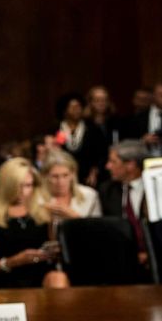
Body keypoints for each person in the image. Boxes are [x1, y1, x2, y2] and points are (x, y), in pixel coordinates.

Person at [0, 158, 68, 288]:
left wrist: (56, 251)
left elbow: (54, 250)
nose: (23, 192)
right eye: (17, 186)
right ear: (6, 186)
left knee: (58, 278)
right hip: (9, 277)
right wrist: (15, 261)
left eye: (28, 185)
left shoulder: (44, 212)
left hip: (43, 275)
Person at [98, 140, 150, 268]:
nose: (107, 166)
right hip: (121, 260)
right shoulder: (107, 190)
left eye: (113, 161)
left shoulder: (156, 187)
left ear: (130, 165)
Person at [54, 92, 107, 186]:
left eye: (79, 107)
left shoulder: (92, 128)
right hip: (63, 175)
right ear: (65, 110)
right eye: (73, 107)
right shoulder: (57, 129)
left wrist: (94, 172)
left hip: (88, 177)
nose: (77, 110)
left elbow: (101, 154)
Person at [41, 150, 101, 220]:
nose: (61, 181)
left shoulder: (90, 195)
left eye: (65, 175)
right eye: (55, 176)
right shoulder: (38, 198)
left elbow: (97, 228)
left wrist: (73, 216)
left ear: (73, 174)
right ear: (46, 176)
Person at [122, 81, 162, 157]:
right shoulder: (138, 117)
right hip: (147, 160)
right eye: (161, 94)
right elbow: (126, 143)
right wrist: (143, 141)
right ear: (153, 95)